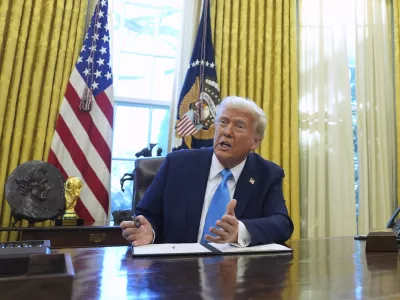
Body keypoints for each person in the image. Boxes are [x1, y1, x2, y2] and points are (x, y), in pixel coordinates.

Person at [121, 96, 294, 247]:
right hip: (177, 272)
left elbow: (281, 224)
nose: (227, 132)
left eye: (239, 126)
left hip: (235, 274)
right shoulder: (177, 164)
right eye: (223, 122)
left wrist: (240, 231)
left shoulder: (267, 174)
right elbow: (147, 214)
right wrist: (149, 232)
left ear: (255, 142)